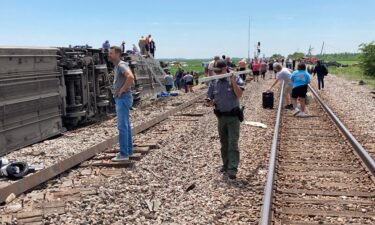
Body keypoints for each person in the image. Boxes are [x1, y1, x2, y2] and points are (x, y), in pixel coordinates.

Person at [206, 60, 245, 180]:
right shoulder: (214, 82)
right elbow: (209, 100)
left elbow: (239, 94)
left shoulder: (235, 78)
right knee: (224, 143)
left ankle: (232, 169)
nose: (217, 73)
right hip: (221, 117)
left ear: (225, 69)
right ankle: (226, 164)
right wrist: (209, 101)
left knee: (233, 143)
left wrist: (233, 82)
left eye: (219, 71)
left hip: (233, 117)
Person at [108, 46, 135, 161]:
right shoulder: (117, 66)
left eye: (111, 53)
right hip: (123, 98)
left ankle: (123, 154)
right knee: (126, 125)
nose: (109, 55)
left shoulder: (121, 65)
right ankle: (128, 152)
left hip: (123, 98)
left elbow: (130, 77)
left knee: (122, 127)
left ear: (118, 54)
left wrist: (122, 89)